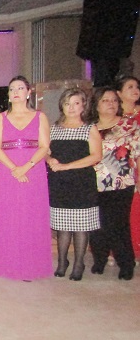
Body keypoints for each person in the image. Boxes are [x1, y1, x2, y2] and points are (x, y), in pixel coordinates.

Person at [0, 76, 53, 281]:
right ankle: (7, 263)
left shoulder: (40, 117)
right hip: (7, 171)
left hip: (33, 170)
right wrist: (14, 169)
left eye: (20, 88)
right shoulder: (0, 118)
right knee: (9, 215)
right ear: (8, 95)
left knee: (31, 215)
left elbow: (44, 146)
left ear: (28, 92)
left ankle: (31, 265)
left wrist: (26, 167)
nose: (16, 92)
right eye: (12, 89)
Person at [47, 88, 102, 281]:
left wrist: (67, 166)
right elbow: (45, 150)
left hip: (82, 182)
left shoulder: (89, 128)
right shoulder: (54, 128)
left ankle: (79, 263)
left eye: (76, 103)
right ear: (61, 106)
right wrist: (49, 159)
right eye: (67, 103)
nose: (71, 108)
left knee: (81, 226)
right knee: (62, 226)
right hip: (59, 183)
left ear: (83, 106)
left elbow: (96, 156)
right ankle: (62, 262)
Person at [88, 87, 140, 280]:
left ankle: (126, 263)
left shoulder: (129, 126)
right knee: (97, 224)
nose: (111, 104)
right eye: (105, 100)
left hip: (121, 183)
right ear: (96, 105)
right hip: (94, 182)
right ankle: (99, 259)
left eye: (113, 100)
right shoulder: (89, 127)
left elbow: (138, 153)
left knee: (118, 224)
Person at [116, 76, 140, 258]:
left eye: (137, 86)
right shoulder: (113, 117)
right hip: (118, 169)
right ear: (119, 93)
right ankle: (117, 250)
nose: (135, 90)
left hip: (138, 166)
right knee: (121, 209)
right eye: (130, 87)